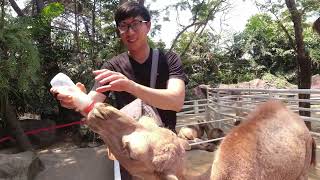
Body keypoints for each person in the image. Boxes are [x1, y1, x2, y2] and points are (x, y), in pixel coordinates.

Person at [51, 1, 188, 179]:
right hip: (128, 153)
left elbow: (176, 101)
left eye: (135, 24)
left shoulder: (169, 59)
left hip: (162, 153)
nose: (129, 32)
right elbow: (92, 105)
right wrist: (76, 100)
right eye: (123, 26)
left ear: (148, 26)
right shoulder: (113, 66)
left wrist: (131, 86)